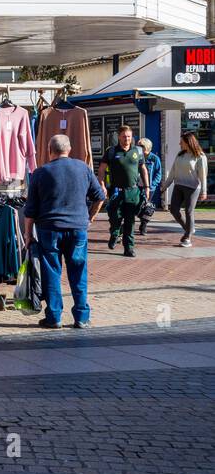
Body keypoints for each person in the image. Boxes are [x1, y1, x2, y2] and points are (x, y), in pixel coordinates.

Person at [23, 134, 106, 329]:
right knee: (78, 272)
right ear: (69, 149)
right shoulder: (83, 168)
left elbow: (30, 210)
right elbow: (100, 196)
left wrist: (28, 234)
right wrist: (90, 218)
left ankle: (54, 316)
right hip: (77, 228)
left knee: (51, 272)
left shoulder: (40, 173)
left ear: (49, 150)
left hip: (49, 229)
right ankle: (82, 316)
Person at [98, 125, 149, 257]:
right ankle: (115, 234)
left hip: (133, 192)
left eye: (129, 136)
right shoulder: (111, 152)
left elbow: (143, 169)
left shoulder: (137, 151)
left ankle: (129, 248)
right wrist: (102, 185)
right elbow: (102, 169)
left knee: (130, 220)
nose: (127, 139)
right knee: (115, 217)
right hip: (116, 192)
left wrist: (147, 187)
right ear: (118, 137)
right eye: (124, 136)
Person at [158, 131, 208, 248]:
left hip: (192, 188)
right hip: (178, 186)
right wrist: (164, 186)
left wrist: (204, 191)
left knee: (189, 211)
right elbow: (173, 172)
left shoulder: (200, 157)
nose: (180, 144)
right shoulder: (180, 155)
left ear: (188, 142)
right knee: (174, 210)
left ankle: (187, 237)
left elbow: (203, 175)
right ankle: (189, 228)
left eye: (182, 142)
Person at [136, 137, 163, 235]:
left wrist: (152, 185)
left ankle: (143, 225)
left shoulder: (154, 158)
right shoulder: (136, 156)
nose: (138, 147)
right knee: (137, 206)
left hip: (149, 188)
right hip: (137, 186)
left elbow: (158, 174)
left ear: (146, 147)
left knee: (147, 208)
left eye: (141, 146)